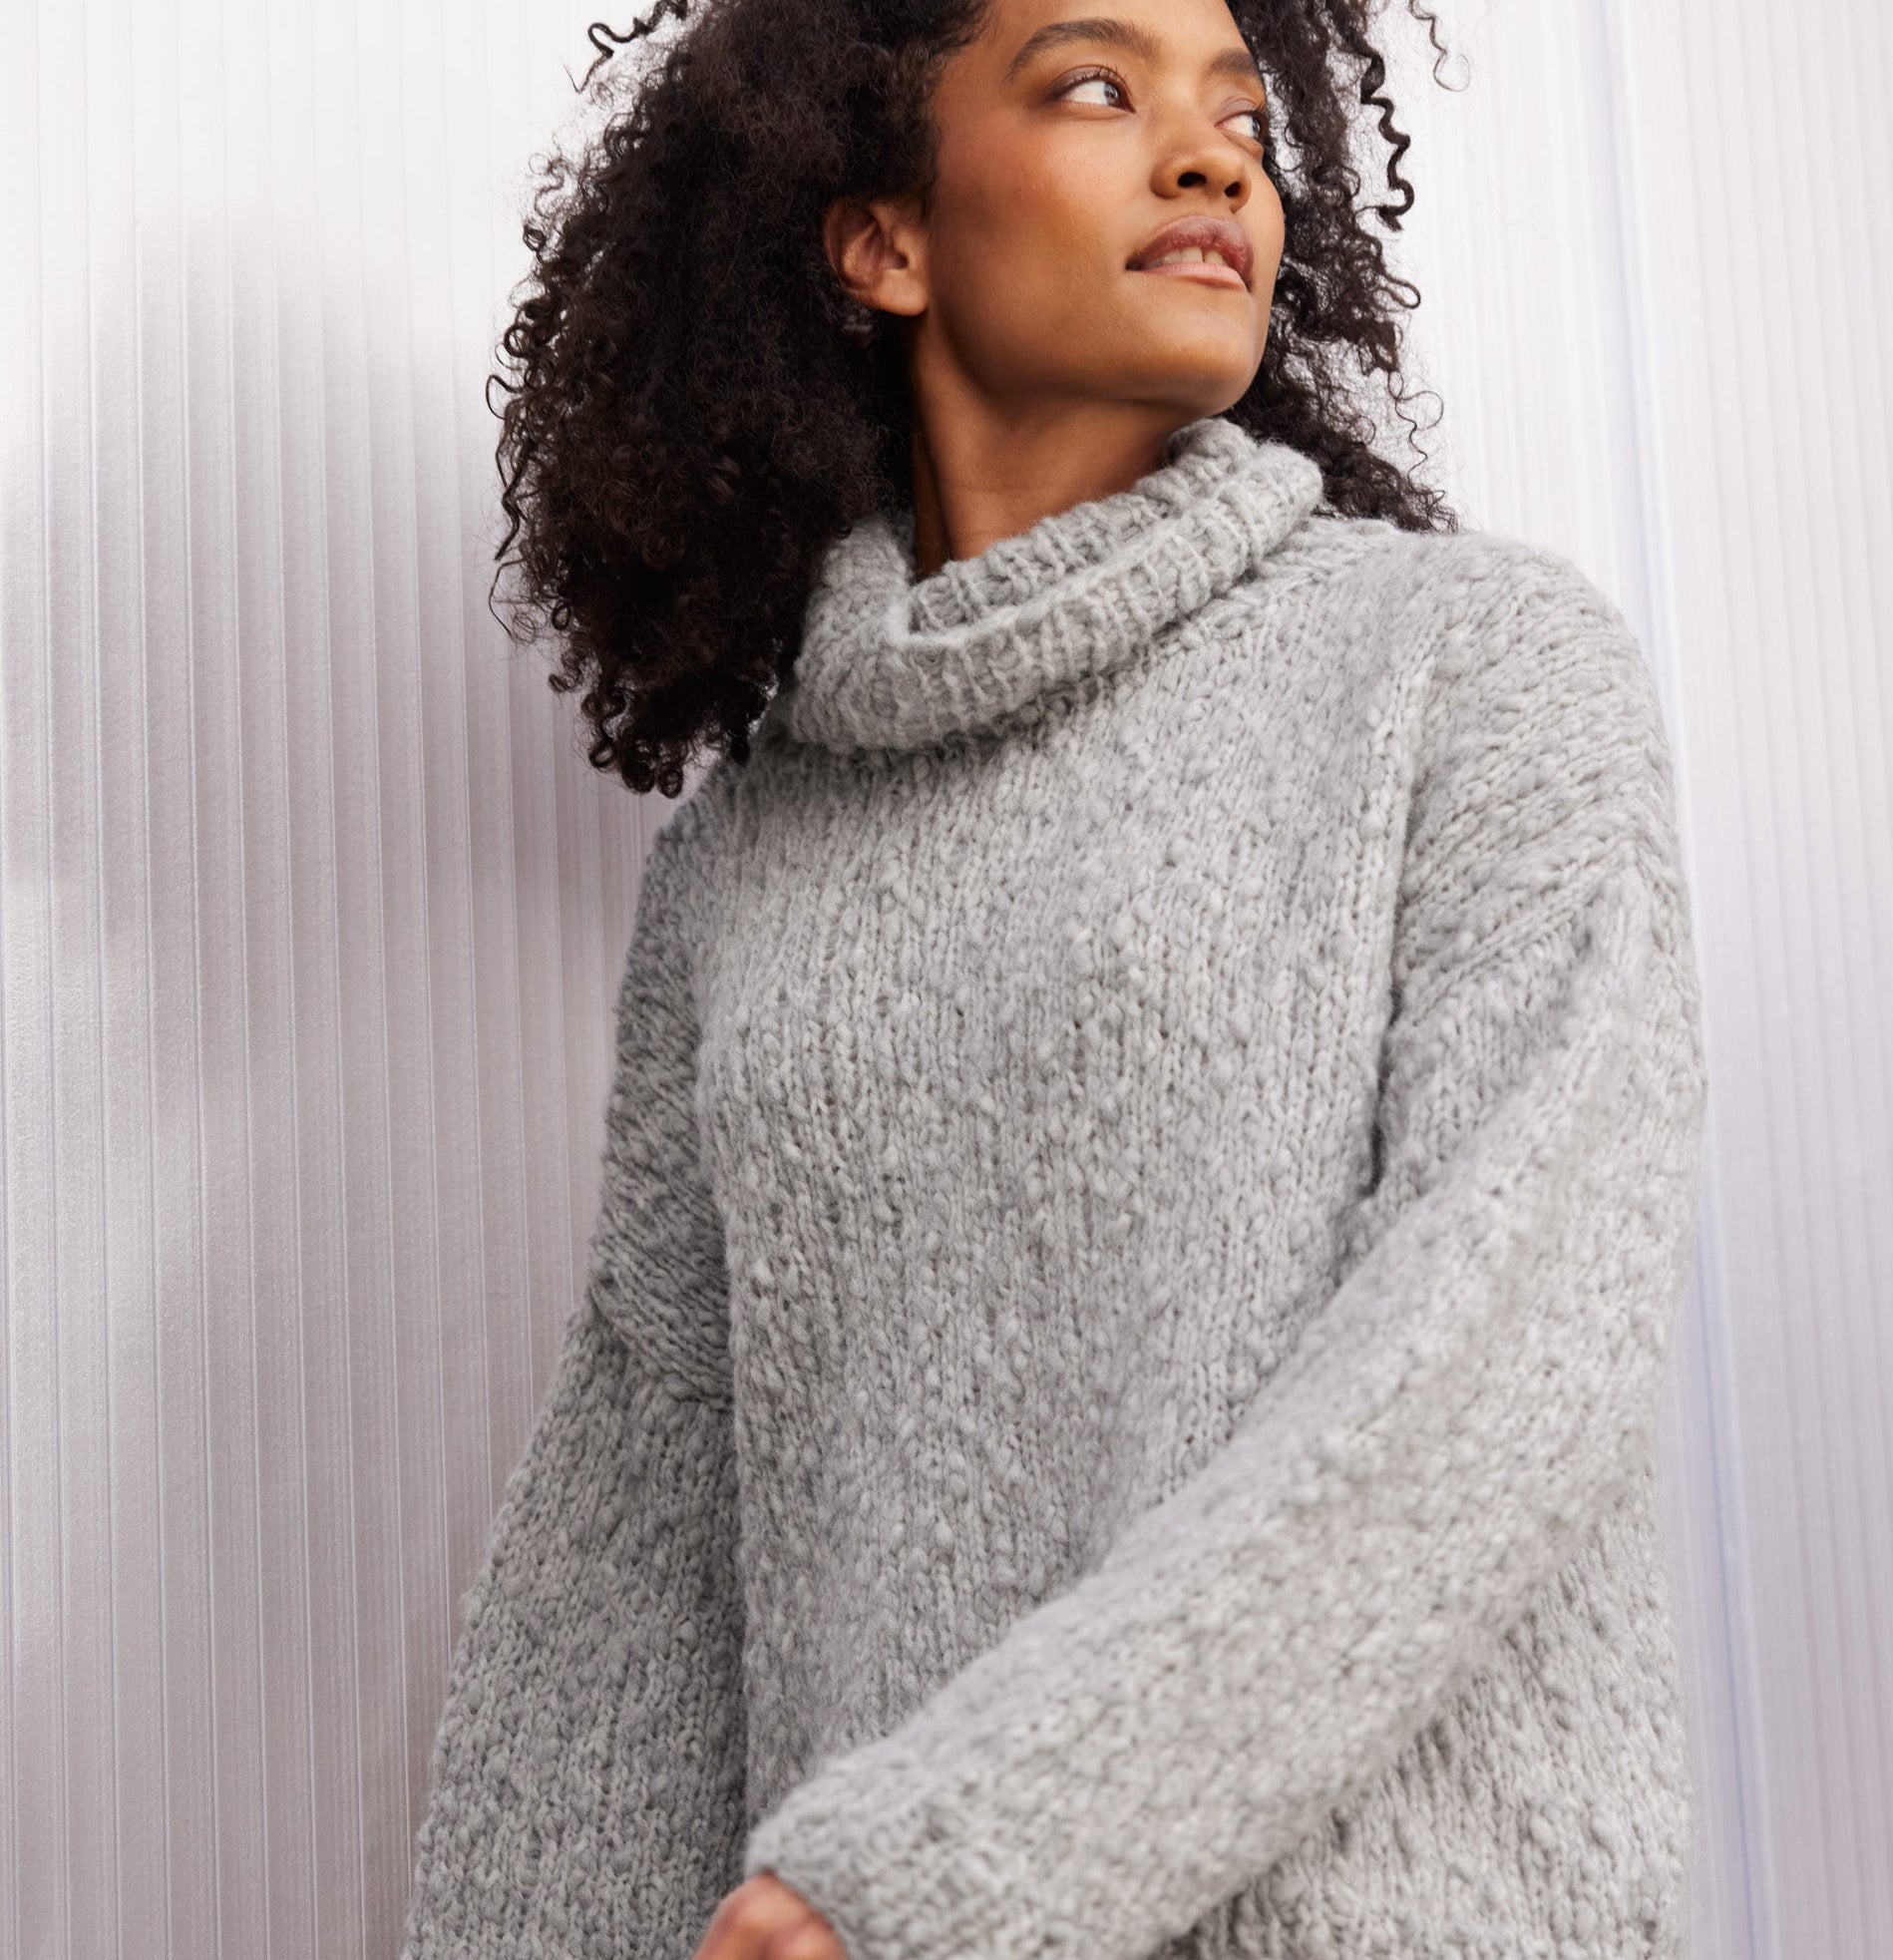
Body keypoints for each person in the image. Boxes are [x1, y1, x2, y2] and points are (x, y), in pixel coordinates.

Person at [399, 1, 1709, 1957]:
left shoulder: (1469, 670)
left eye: (1239, 114)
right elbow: (644, 1549)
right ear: (883, 238)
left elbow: (1508, 1356)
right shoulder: (745, 866)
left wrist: (948, 1864)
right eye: (1097, 86)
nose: (1210, 155)